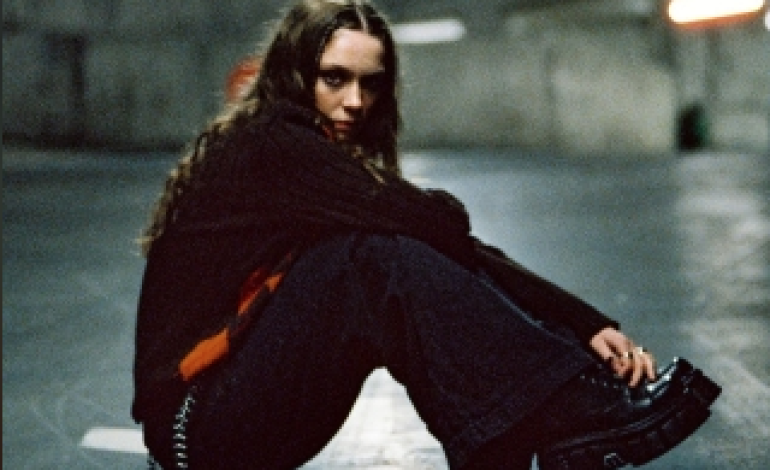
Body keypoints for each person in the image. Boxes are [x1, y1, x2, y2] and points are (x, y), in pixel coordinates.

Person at [132, 1, 721, 469]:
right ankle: (572, 416)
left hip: (233, 414)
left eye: (370, 84)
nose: (355, 101)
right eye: (334, 79)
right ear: (294, 73)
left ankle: (537, 433)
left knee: (381, 259)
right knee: (365, 261)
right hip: (200, 429)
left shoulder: (301, 155)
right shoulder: (270, 146)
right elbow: (438, 224)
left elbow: (450, 248)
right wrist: (573, 339)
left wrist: (583, 324)